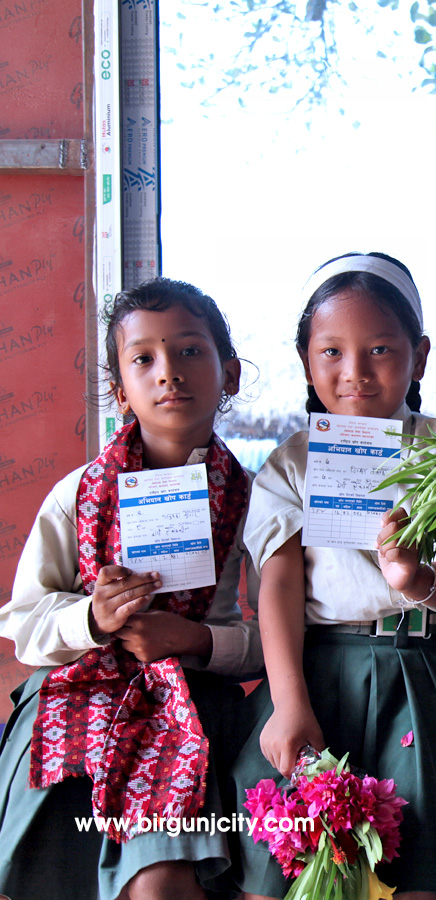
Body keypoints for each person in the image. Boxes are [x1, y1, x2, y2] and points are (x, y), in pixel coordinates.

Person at [229, 253, 436, 900]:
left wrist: (413, 577)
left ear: (419, 356)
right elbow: (280, 584)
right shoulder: (291, 466)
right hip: (313, 673)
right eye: (332, 353)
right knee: (279, 864)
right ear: (306, 359)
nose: (355, 373)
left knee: (417, 875)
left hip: (420, 673)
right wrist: (287, 701)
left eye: (380, 350)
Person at [0, 278, 260, 900]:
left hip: (193, 706)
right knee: (58, 875)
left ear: (229, 374)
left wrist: (194, 639)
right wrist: (90, 618)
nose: (169, 373)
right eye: (144, 359)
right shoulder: (78, 496)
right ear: (120, 391)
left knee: (162, 885)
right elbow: (24, 623)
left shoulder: (257, 499)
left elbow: (275, 639)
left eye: (190, 351)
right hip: (74, 702)